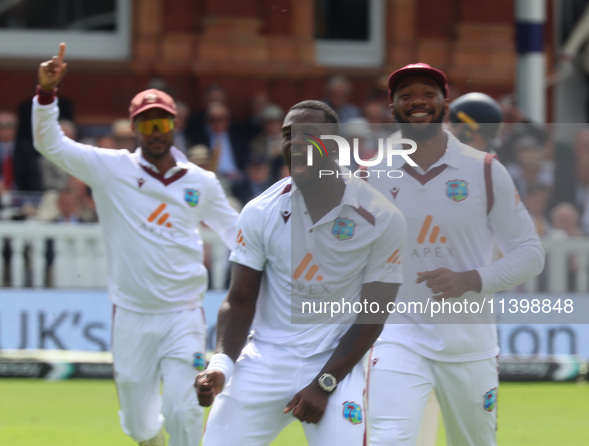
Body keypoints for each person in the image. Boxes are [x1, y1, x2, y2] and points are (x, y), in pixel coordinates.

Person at [32, 43, 239, 446]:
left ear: (175, 125)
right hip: (131, 315)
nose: (156, 132)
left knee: (183, 412)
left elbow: (239, 235)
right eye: (147, 125)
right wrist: (46, 94)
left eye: (162, 123)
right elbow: (50, 144)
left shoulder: (201, 182)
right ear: (134, 128)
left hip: (184, 314)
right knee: (139, 426)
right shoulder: (111, 169)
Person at [195, 100, 406, 446]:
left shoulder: (381, 217)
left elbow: (373, 317)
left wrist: (325, 383)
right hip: (264, 358)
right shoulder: (260, 211)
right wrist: (220, 366)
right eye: (289, 135)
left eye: (310, 134)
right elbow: (240, 301)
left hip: (335, 362)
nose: (296, 143)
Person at [364, 63, 545, 445]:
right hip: (398, 336)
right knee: (388, 439)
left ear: (445, 104)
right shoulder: (372, 173)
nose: (418, 101)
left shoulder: (484, 171)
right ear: (392, 106)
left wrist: (471, 279)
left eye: (428, 94)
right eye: (406, 95)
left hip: (470, 345)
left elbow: (530, 254)